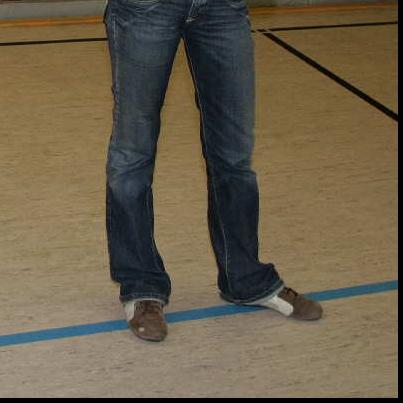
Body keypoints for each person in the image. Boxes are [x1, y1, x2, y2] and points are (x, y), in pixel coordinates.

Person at [103, 0, 323, 343]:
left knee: (234, 155)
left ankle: (245, 280)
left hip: (224, 8)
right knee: (133, 155)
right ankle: (141, 285)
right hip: (146, 9)